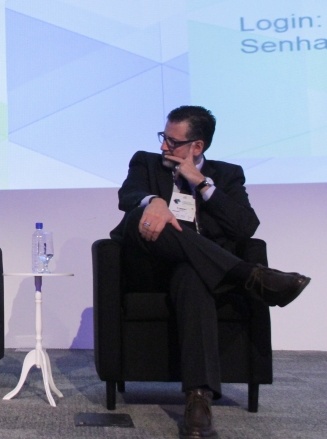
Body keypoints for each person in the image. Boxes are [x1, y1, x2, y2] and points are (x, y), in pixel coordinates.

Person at [111, 105, 310, 438]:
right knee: (143, 216)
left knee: (193, 276)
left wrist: (203, 185)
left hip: (197, 273)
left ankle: (198, 399)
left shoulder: (227, 174)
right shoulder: (145, 162)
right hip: (153, 262)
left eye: (173, 142)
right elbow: (127, 194)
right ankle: (252, 276)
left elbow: (246, 226)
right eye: (163, 138)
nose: (164, 147)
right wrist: (153, 201)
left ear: (197, 147)